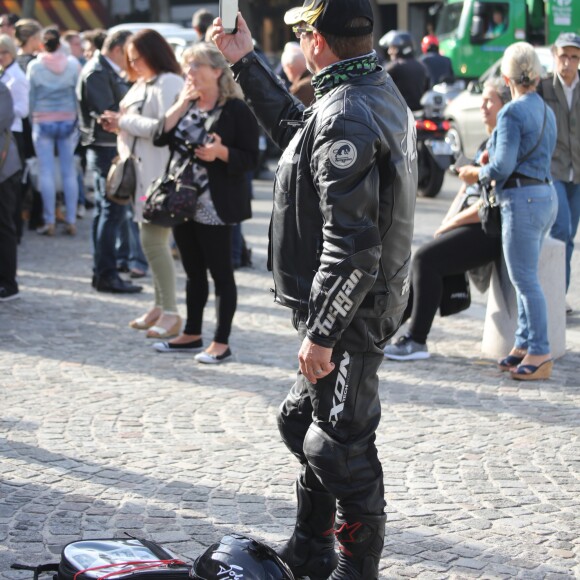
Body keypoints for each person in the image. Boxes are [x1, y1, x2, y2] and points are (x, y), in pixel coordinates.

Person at [213, 0, 416, 577]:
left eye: (304, 30)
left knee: (339, 448)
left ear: (317, 42)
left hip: (354, 309)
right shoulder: (363, 86)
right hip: (353, 300)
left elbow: (353, 245)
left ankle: (356, 570)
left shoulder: (348, 109)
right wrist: (245, 61)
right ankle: (310, 548)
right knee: (302, 426)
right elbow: (299, 136)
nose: (301, 39)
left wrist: (323, 334)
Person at [384, 78, 509, 361]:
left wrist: (451, 225)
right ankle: (384, 332)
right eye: (483, 100)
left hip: (489, 228)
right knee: (425, 257)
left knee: (426, 259)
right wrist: (448, 220)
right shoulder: (488, 141)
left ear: (505, 106)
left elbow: (489, 202)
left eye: (491, 101)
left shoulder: (503, 142)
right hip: (474, 222)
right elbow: (466, 191)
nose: (483, 107)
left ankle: (417, 340)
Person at [152, 42, 259, 361]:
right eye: (187, 66)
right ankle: (192, 334)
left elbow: (252, 158)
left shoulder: (236, 109)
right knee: (192, 271)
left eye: (195, 65)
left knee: (221, 273)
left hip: (216, 202)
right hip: (182, 201)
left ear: (216, 71)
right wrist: (181, 103)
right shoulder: (185, 102)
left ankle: (221, 342)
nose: (189, 73)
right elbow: (160, 136)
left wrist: (220, 153)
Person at [458, 42, 557, 381]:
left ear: (505, 76)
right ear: (538, 74)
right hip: (546, 195)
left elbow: (501, 166)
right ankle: (523, 344)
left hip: (522, 199)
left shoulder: (512, 112)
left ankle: (540, 350)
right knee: (525, 276)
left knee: (525, 280)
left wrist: (476, 173)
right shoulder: (546, 109)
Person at [100, 29, 184, 339]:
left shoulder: (169, 82)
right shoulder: (140, 84)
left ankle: (171, 310)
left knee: (152, 242)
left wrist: (122, 122)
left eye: (137, 57)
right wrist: (116, 125)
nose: (133, 63)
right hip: (139, 173)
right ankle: (161, 305)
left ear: (153, 54)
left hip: (158, 174)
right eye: (130, 58)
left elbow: (163, 128)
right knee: (149, 242)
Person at [77, 29, 143, 294]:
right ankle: (106, 273)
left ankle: (103, 271)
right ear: (118, 48)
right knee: (111, 211)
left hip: (108, 147)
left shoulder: (104, 68)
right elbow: (107, 115)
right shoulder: (97, 71)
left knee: (107, 212)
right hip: (105, 149)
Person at [538, 33, 580, 314]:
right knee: (561, 229)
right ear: (554, 56)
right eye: (563, 56)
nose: (567, 62)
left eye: (574, 57)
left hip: (578, 172)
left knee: (568, 236)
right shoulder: (542, 88)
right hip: (552, 170)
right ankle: (553, 294)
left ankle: (558, 293)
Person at [27, 26, 80, 236]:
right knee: (69, 172)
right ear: (60, 43)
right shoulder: (72, 64)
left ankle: (49, 220)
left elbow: (31, 98)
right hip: (67, 120)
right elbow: (78, 94)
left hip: (43, 120)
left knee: (46, 171)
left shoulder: (35, 66)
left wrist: (33, 119)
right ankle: (71, 219)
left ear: (42, 44)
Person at [0, 33, 29, 242]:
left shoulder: (16, 77)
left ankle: (16, 230)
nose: (1, 56)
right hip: (9, 130)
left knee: (12, 188)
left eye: (4, 52)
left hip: (12, 133)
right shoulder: (6, 74)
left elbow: (24, 109)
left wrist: (8, 109)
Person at [0, 82, 22, 301]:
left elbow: (2, 120)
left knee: (3, 224)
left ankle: (8, 282)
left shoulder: (1, 89)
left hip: (3, 170)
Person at [380, 29, 429, 111]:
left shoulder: (393, 67)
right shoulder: (422, 66)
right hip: (419, 112)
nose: (389, 51)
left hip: (399, 114)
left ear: (399, 48)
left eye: (392, 47)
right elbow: (427, 88)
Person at [280, 41, 314, 106]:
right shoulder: (315, 79)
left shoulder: (299, 89)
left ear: (289, 67)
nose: (284, 71)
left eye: (284, 68)